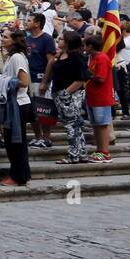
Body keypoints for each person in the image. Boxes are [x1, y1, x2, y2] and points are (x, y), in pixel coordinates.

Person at [0, 28, 33, 185]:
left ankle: (18, 176)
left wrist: (2, 81)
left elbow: (24, 81)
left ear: (14, 40)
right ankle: (21, 173)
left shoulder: (17, 57)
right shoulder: (12, 57)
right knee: (13, 142)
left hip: (18, 104)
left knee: (15, 142)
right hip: (13, 104)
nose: (2, 39)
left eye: (5, 37)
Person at [50, 31, 92, 165]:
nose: (58, 40)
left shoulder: (75, 57)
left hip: (70, 95)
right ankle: (81, 153)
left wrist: (66, 93)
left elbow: (82, 78)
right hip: (60, 93)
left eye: (61, 39)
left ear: (68, 42)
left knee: (71, 125)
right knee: (75, 125)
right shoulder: (62, 54)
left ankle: (73, 155)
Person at [24, 12, 56, 148]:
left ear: (37, 23)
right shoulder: (28, 39)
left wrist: (45, 81)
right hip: (29, 79)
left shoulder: (47, 39)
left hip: (40, 78)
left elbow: (51, 61)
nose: (26, 22)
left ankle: (46, 137)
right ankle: (37, 136)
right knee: (32, 110)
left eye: (29, 20)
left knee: (44, 109)